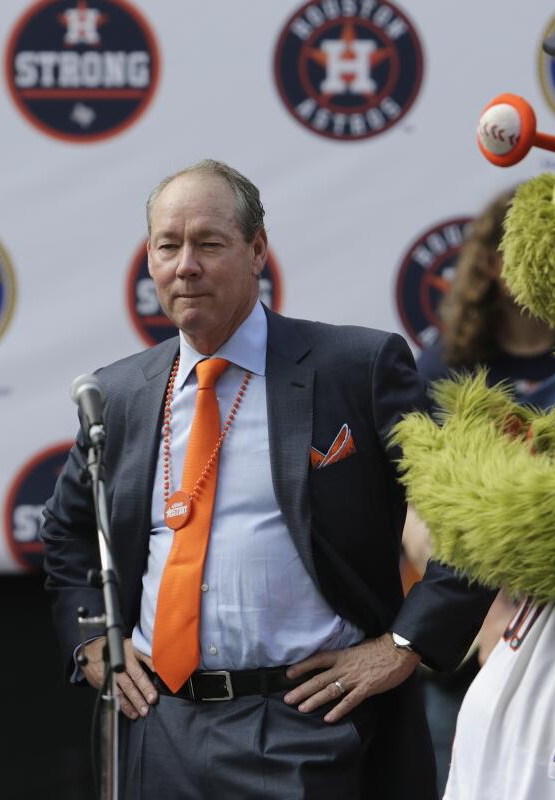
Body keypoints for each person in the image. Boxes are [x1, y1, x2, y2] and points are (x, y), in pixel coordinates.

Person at [41, 159, 491, 799]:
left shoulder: (355, 368)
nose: (185, 265)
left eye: (209, 243)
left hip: (305, 724)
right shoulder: (118, 393)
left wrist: (403, 644)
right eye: (168, 246)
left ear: (257, 251)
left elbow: (474, 515)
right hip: (156, 726)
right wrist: (92, 641)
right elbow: (67, 534)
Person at [403, 187, 555, 792]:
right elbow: (416, 506)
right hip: (460, 636)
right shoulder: (444, 366)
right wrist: (486, 619)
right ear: (489, 263)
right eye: (532, 249)